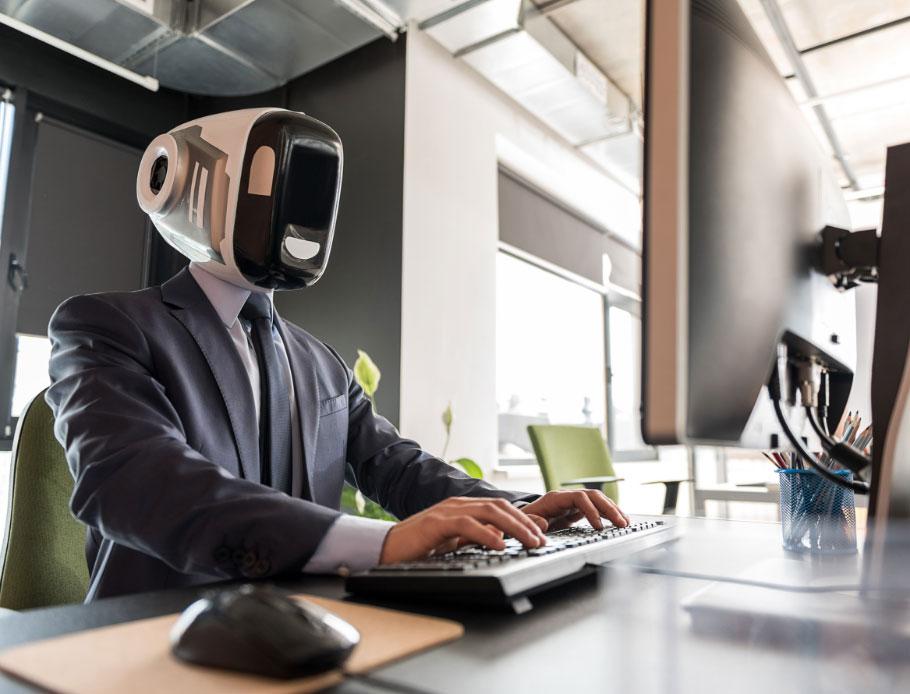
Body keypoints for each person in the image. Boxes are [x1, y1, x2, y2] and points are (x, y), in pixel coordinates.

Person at [46, 108, 628, 600]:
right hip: (156, 642)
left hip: (308, 633)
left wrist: (520, 509)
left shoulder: (321, 362)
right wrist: (381, 544)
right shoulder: (106, 326)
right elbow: (133, 480)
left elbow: (397, 467)